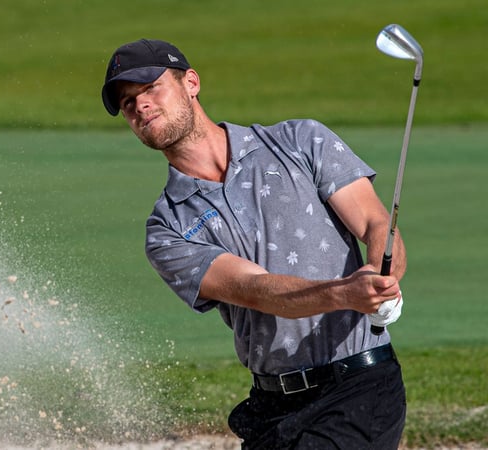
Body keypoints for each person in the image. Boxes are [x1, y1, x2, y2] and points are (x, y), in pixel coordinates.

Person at [101, 39, 408, 449]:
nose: (139, 106)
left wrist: (380, 274)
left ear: (190, 82)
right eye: (127, 103)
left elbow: (375, 222)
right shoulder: (167, 228)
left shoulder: (301, 141)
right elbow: (255, 290)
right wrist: (346, 293)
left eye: (150, 88)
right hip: (271, 407)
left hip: (358, 388)